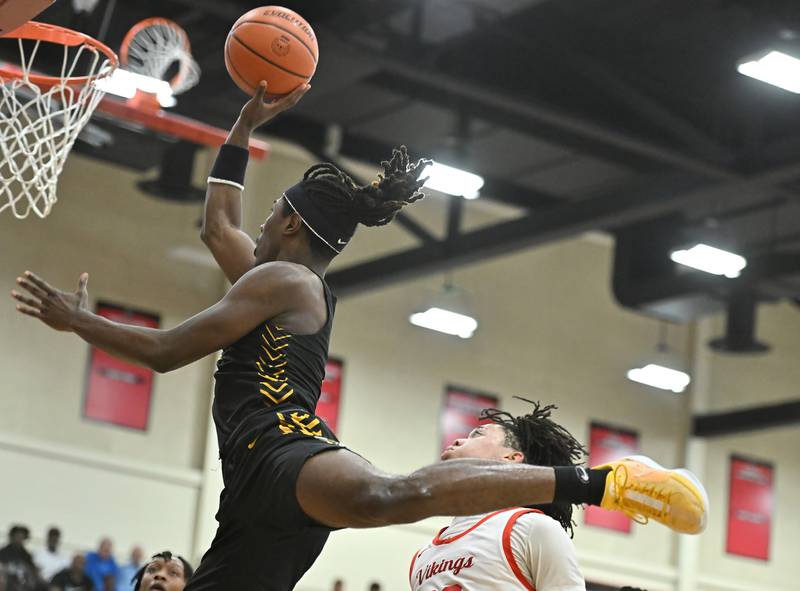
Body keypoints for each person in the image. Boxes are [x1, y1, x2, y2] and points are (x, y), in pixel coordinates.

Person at [11, 81, 707, 591]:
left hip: (289, 451)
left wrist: (77, 320)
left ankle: (602, 482)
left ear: (290, 226)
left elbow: (166, 351)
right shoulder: (273, 280)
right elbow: (216, 226)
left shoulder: (282, 282)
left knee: (388, 495)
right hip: (251, 492)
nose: (255, 227)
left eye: (270, 214)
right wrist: (242, 123)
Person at [410, 400, 588, 590]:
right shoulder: (422, 555)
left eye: (477, 435)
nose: (457, 440)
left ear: (510, 458)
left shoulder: (532, 528)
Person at [0, 525, 38, 591]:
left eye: (22, 537)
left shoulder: (26, 555)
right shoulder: (3, 551)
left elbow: (32, 569)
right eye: (17, 536)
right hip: (8, 579)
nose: (19, 539)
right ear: (12, 537)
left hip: (24, 580)